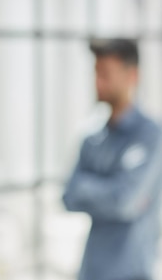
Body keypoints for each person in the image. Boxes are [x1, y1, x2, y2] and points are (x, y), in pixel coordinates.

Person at [63, 38, 162, 280]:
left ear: (132, 76)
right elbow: (68, 197)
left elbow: (124, 202)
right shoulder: (91, 136)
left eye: (106, 74)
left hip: (132, 272)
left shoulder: (150, 136)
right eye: (96, 73)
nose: (97, 82)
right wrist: (113, 191)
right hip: (91, 271)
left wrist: (87, 185)